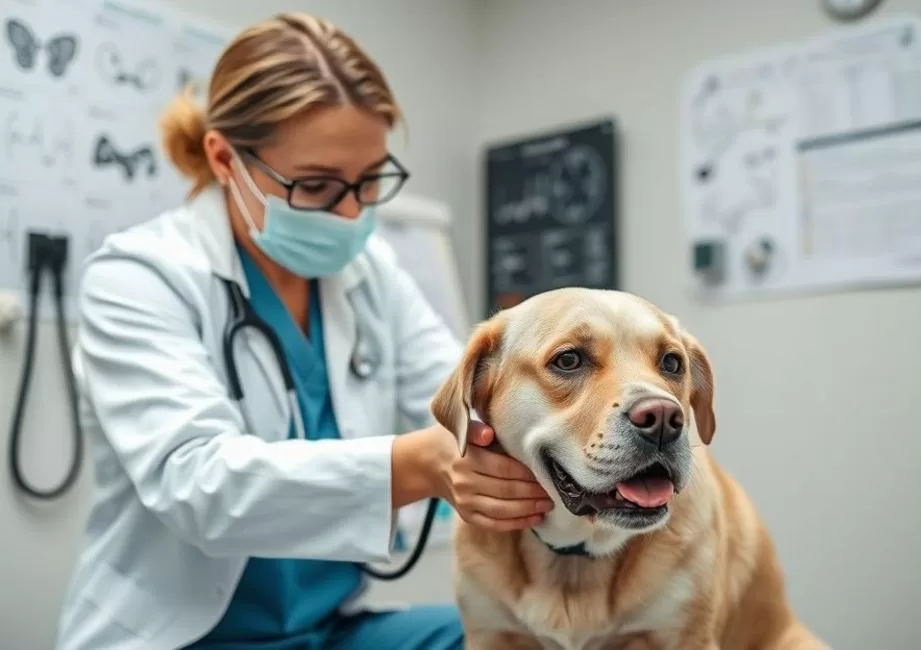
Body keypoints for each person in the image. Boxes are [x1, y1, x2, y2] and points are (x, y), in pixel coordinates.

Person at [54, 12, 553, 650]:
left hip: (327, 630)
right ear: (224, 158)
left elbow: (466, 401)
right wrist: (417, 463)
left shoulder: (369, 275)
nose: (350, 213)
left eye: (370, 182)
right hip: (177, 637)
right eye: (316, 186)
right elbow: (199, 484)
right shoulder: (139, 277)